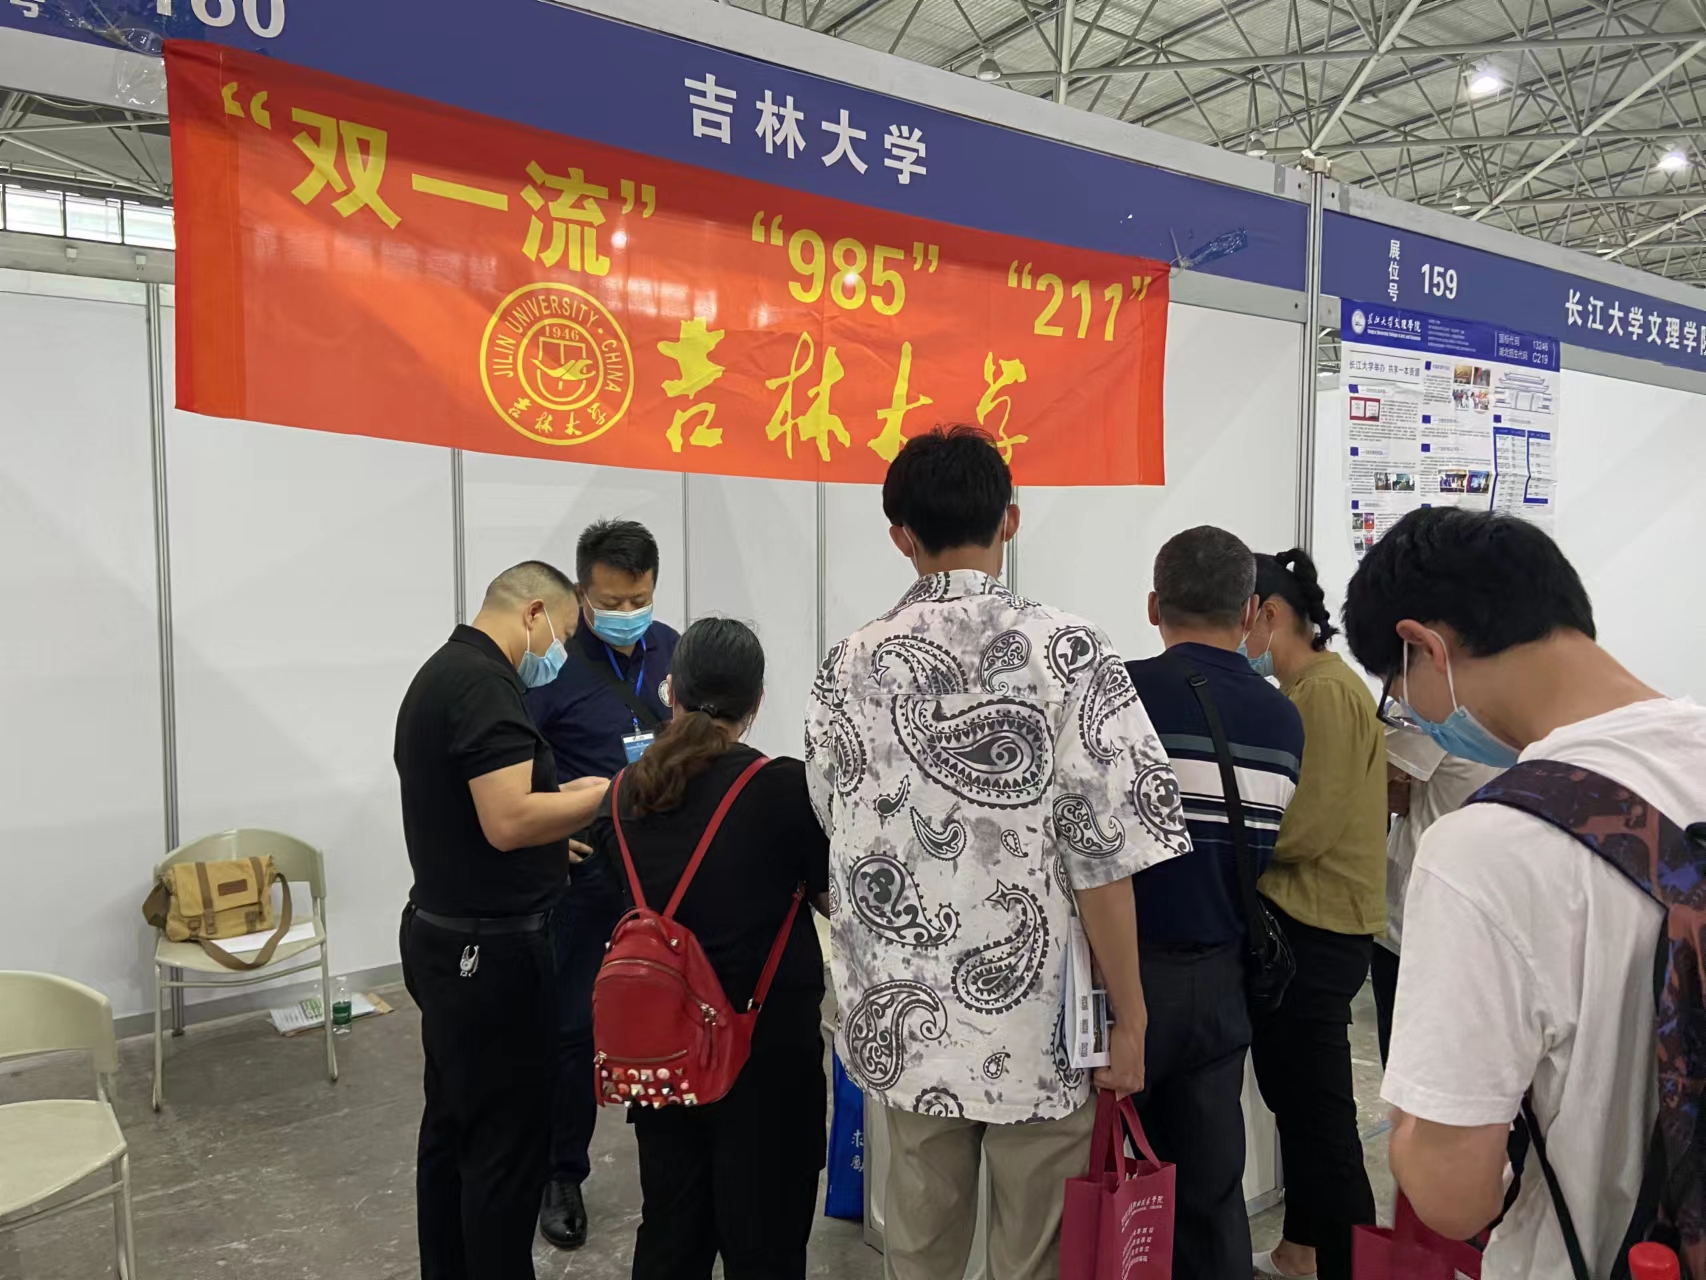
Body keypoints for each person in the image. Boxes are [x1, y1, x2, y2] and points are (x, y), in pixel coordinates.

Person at [806, 426, 1188, 1280]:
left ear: (900, 536)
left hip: (903, 1022)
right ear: (1010, 520)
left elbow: (833, 819)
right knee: (1037, 1255)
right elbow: (1105, 861)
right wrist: (1130, 1018)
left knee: (918, 1250)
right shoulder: (1071, 653)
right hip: (1039, 1029)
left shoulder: (847, 666)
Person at [1344, 507, 1706, 1277]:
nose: (1419, 720)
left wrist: (1411, 1128)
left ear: (1424, 647)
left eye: (1401, 696)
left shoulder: (1487, 847)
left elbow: (1453, 1196)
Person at [588, 617, 831, 1280]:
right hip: (766, 1050)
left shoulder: (625, 794)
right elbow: (832, 898)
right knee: (765, 1242)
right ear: (756, 702)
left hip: (663, 1048)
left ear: (672, 690)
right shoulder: (784, 788)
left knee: (671, 1228)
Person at [393, 562, 611, 1280]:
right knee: (503, 1147)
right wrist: (604, 794)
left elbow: (476, 810)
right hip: (486, 956)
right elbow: (508, 819)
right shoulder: (485, 687)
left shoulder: (442, 673)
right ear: (534, 613)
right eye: (564, 635)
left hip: (445, 935)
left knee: (452, 1130)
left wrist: (554, 830)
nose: (560, 652)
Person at [1124, 526, 1306, 1280]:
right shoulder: (1282, 719)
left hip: (1118, 979)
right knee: (1210, 1192)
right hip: (1223, 980)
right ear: (1251, 612)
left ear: (1154, 606)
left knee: (1112, 1181)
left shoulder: (1115, 695)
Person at [524, 519, 678, 1251]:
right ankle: (561, 1174)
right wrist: (549, 833)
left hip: (660, 872)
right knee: (571, 1030)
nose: (627, 613)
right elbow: (518, 765)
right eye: (612, 602)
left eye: (639, 598)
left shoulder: (675, 650)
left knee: (667, 1017)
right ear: (583, 595)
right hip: (583, 874)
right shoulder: (551, 666)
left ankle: (672, 1172)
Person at [1244, 547, 1386, 1280]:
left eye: (1238, 620)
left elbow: (1305, 826)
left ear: (1269, 614)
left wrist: (1225, 845)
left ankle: (1353, 1262)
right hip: (1311, 924)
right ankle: (1300, 1249)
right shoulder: (1307, 690)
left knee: (1319, 1114)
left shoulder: (1323, 695)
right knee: (1297, 1103)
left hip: (1318, 928)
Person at [1370, 727, 1501, 1064]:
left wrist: (1394, 789)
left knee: (1406, 1055)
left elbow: (1361, 779)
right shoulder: (1519, 727)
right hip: (1477, 917)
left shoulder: (1439, 721)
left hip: (1414, 922)